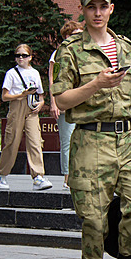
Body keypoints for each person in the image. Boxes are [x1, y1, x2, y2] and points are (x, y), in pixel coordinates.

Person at [51, 0, 131, 259]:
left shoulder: (125, 47)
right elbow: (62, 100)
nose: (97, 13)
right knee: (93, 219)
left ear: (111, 8)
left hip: (127, 139)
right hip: (91, 140)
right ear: (82, 10)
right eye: (91, 7)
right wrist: (95, 84)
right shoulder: (70, 50)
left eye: (103, 6)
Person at [0, 44, 53, 191]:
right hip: (16, 107)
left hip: (32, 109)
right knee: (12, 142)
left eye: (24, 55)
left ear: (30, 57)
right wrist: (22, 95)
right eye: (18, 55)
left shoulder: (34, 73)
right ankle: (2, 174)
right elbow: (5, 96)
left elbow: (41, 94)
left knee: (35, 142)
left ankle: (38, 176)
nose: (21, 58)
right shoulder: (11, 73)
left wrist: (41, 104)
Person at [49, 20, 84, 189]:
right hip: (65, 103)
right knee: (67, 141)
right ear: (66, 36)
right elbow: (52, 80)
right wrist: (54, 103)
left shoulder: (86, 52)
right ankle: (67, 177)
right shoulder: (58, 54)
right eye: (74, 34)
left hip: (83, 104)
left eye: (80, 33)